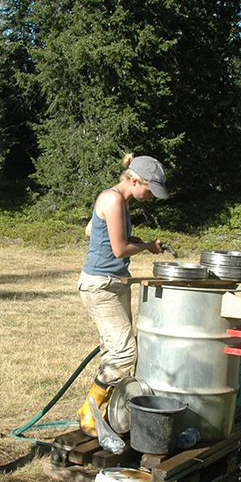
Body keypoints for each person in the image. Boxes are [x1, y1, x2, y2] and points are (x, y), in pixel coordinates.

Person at [75, 154, 169, 436]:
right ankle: (88, 411)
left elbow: (91, 230)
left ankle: (102, 413)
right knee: (125, 352)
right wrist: (146, 245)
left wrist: (132, 240)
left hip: (115, 282)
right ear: (135, 180)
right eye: (149, 189)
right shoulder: (114, 200)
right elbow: (118, 250)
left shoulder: (118, 201)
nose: (150, 196)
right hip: (101, 285)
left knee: (113, 351)